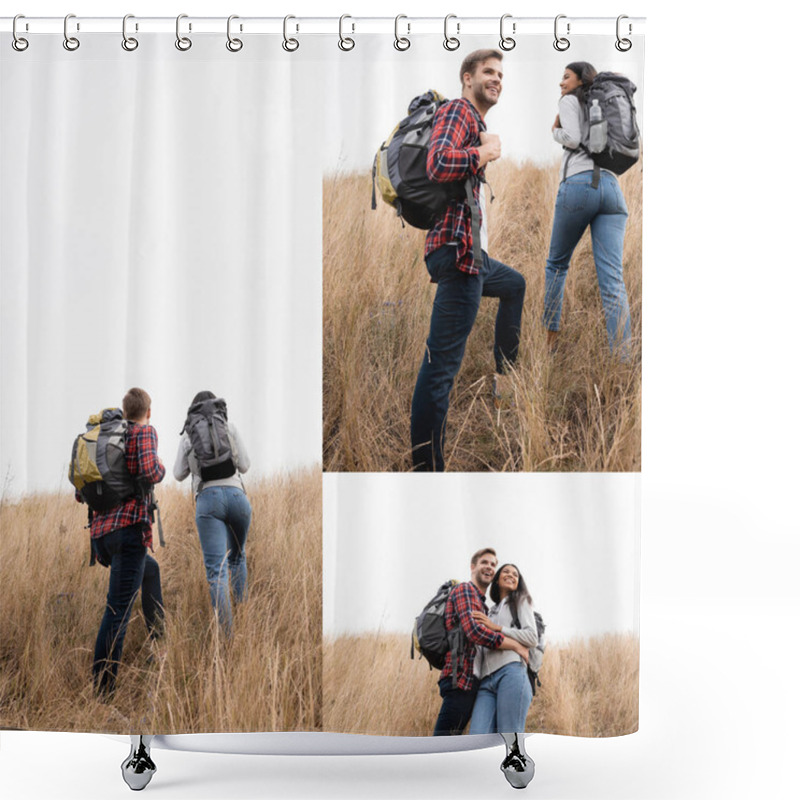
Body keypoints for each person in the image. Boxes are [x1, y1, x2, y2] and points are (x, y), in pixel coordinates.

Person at [410, 49, 527, 472]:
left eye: (500, 74)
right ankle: (427, 468)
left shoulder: (475, 124)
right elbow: (438, 163)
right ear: (467, 78)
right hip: (459, 256)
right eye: (488, 72)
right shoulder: (459, 112)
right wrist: (483, 155)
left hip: (471, 255)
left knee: (515, 284)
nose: (496, 79)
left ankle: (504, 383)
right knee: (440, 370)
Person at [78, 387, 166, 698]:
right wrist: (162, 469)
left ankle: (160, 641)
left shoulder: (102, 437)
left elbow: (80, 492)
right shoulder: (143, 432)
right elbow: (149, 470)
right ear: (147, 411)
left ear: (123, 409)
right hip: (129, 532)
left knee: (150, 571)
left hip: (102, 536)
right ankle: (103, 694)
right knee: (117, 612)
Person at [544, 61, 632, 357]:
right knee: (612, 280)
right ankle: (622, 358)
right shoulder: (602, 104)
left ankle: (550, 346)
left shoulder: (569, 101)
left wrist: (554, 130)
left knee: (556, 264)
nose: (561, 83)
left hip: (580, 186)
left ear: (581, 80)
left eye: (566, 76)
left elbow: (571, 138)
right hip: (611, 190)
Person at [174, 391, 251, 636]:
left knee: (217, 573)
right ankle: (245, 618)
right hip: (238, 498)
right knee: (237, 558)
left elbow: (178, 474)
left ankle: (227, 639)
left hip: (208, 501)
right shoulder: (229, 427)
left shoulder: (189, 436)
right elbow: (245, 466)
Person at [434, 548, 530, 736]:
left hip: (473, 682)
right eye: (484, 562)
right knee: (442, 741)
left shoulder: (484, 606)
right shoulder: (465, 590)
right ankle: (430, 765)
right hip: (460, 680)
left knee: (457, 739)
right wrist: (515, 645)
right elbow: (475, 632)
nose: (489, 567)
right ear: (473, 566)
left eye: (493, 564)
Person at [469, 563, 537, 734]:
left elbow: (532, 637)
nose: (511, 575)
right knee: (476, 739)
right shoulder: (489, 611)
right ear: (497, 580)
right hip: (486, 682)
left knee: (509, 740)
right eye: (506, 571)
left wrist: (498, 628)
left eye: (515, 574)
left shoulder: (520, 601)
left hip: (511, 673)